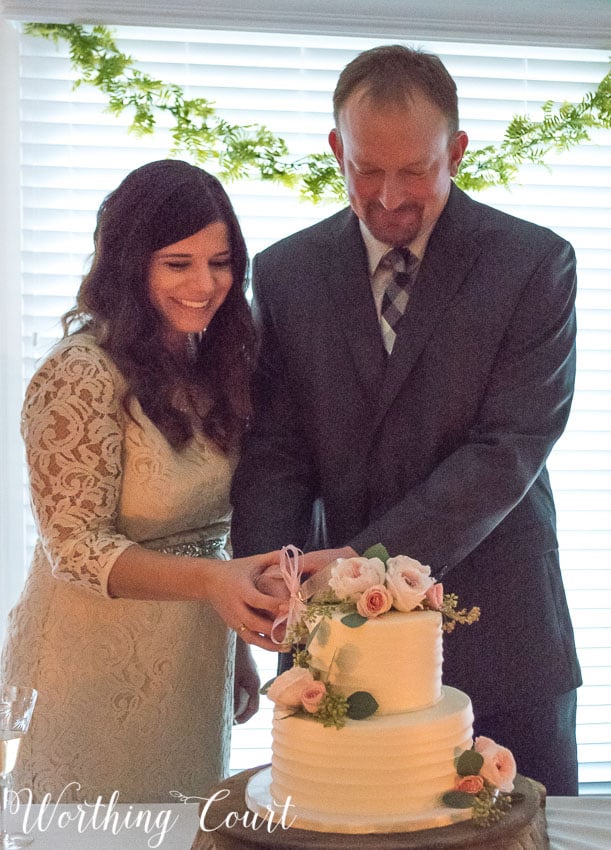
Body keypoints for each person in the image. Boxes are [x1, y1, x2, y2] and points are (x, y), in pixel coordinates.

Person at [230, 45, 582, 795]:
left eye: (414, 171)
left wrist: (364, 566)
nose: (388, 196)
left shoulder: (533, 264)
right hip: (332, 647)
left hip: (503, 632)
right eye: (366, 169)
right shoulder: (286, 272)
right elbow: (276, 449)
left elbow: (507, 450)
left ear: (455, 151)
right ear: (336, 150)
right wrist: (270, 574)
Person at [1, 159, 285, 804]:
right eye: (178, 263)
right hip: (89, 662)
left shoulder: (212, 362)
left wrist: (233, 640)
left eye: (220, 262)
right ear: (131, 264)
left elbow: (212, 531)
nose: (206, 284)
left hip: (191, 658)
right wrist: (214, 583)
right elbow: (73, 547)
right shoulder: (81, 372)